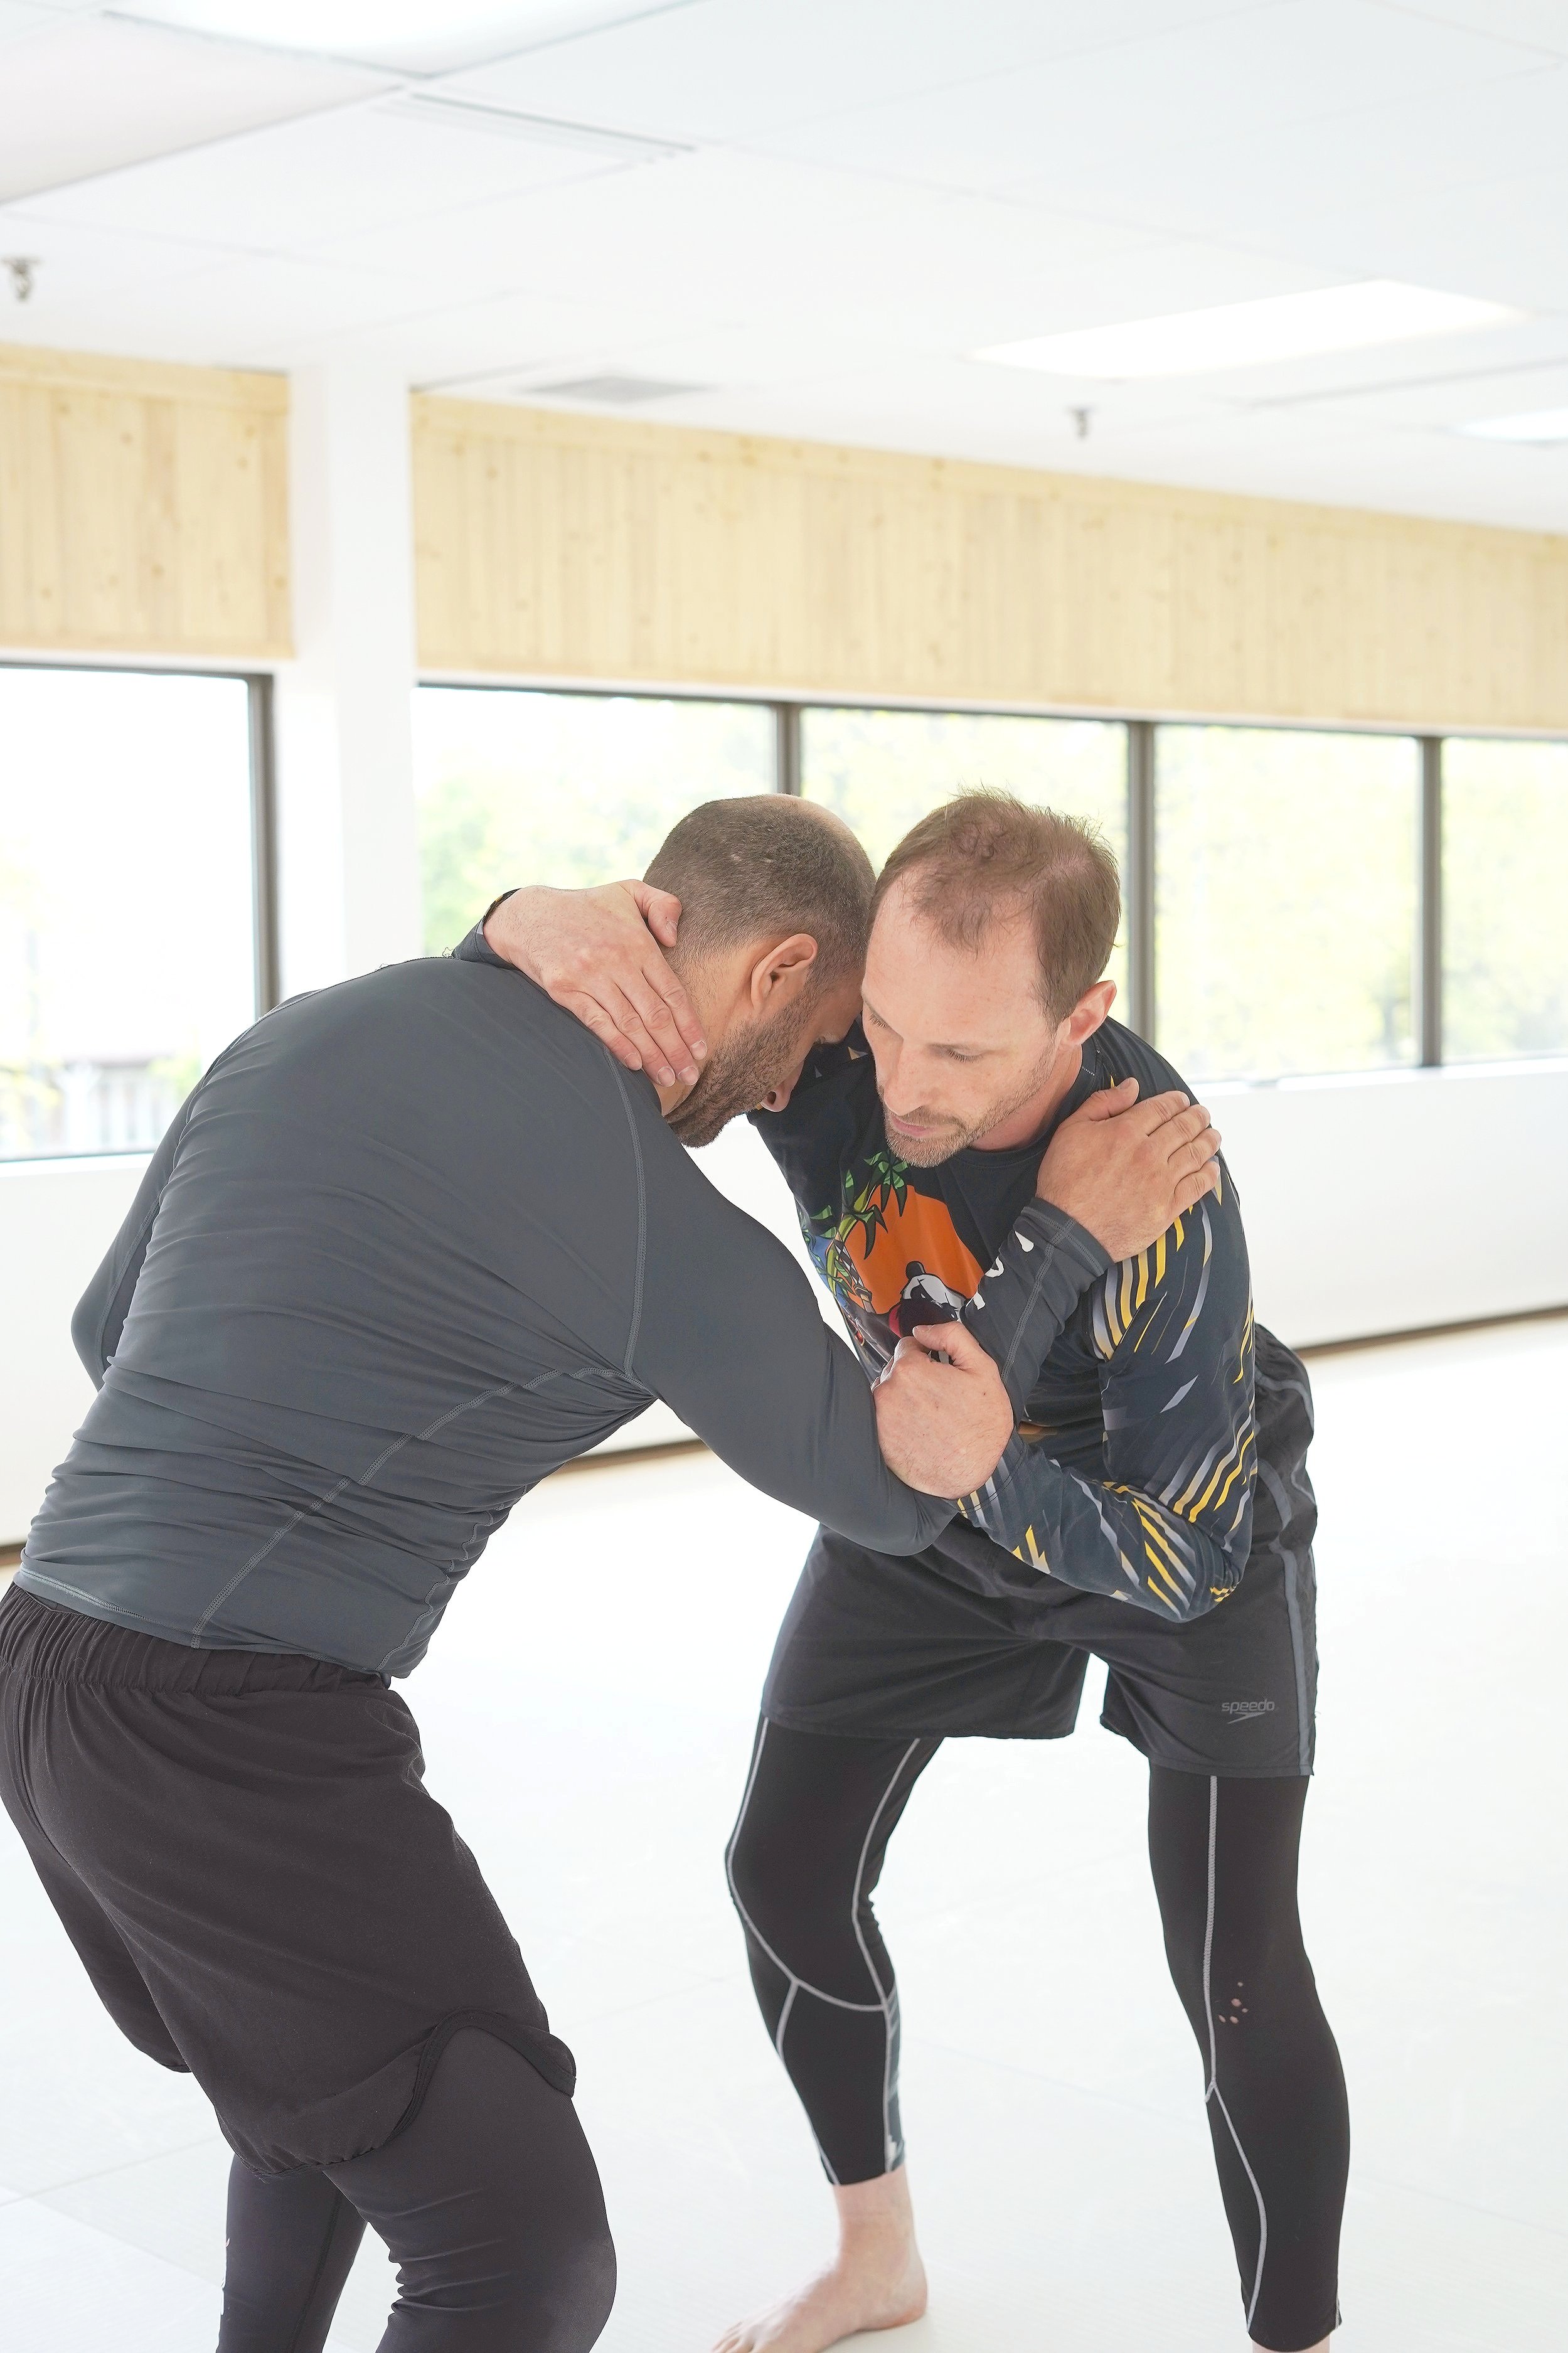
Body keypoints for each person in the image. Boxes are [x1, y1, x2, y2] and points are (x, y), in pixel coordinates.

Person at [0, 796, 1045, 2353]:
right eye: (829, 1039)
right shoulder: (640, 1206)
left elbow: (105, 1332)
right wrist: (1068, 1250)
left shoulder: (308, 1027)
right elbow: (887, 1497)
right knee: (524, 2247)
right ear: (775, 974)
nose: (806, 1088)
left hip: (47, 1673)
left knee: (334, 2112)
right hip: (230, 1730)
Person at [486, 789, 1348, 2353]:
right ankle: (874, 2256)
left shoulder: (1163, 1196)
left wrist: (998, 1425)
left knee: (1235, 1977)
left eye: (960, 1055)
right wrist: (510, 919)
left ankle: (1294, 2335)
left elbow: (1184, 1555)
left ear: (1081, 1015)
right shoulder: (828, 1040)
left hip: (1163, 1519)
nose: (897, 1085)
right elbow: (607, 997)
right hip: (930, 1498)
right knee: (782, 1873)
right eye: (883, 1028)